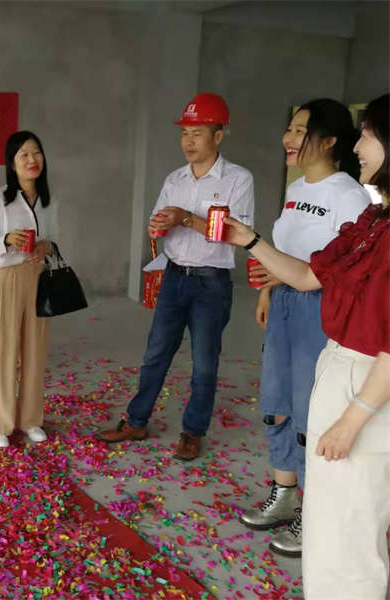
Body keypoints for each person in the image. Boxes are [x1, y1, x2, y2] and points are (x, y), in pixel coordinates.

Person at [224, 93, 389, 600]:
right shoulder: (372, 222)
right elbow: (309, 272)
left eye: (368, 135)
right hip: (332, 353)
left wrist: (355, 416)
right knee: (328, 524)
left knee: (351, 524)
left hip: (364, 375)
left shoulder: (357, 203)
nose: (358, 146)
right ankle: (292, 501)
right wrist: (251, 242)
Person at [95, 93, 254, 461]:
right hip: (174, 276)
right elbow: (157, 225)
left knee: (204, 363)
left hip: (211, 283)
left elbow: (235, 233)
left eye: (197, 133)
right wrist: (158, 227)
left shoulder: (238, 180)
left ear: (218, 136)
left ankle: (193, 432)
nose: (188, 142)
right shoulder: (175, 179)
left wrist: (184, 218)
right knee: (155, 353)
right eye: (184, 133)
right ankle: (136, 420)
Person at [0, 131, 58, 449]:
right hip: (6, 277)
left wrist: (45, 247)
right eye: (23, 154)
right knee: (2, 350)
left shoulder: (49, 200)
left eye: (36, 153)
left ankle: (30, 419)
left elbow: (54, 241)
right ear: (12, 164)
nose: (31, 160)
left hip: (37, 276)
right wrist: (6, 240)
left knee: (34, 351)